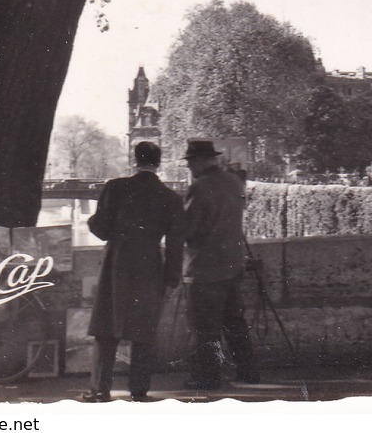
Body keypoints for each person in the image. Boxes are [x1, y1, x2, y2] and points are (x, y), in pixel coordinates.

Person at [83, 141, 184, 402]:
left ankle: (100, 390)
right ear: (158, 163)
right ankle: (139, 392)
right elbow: (175, 244)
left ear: (135, 159)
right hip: (150, 264)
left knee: (107, 328)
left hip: (117, 263)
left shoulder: (115, 188)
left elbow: (100, 229)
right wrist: (172, 279)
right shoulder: (171, 198)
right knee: (143, 331)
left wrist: (94, 222)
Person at [181, 140, 259, 391]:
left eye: (192, 161)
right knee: (234, 322)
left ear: (203, 160)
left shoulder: (199, 188)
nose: (190, 166)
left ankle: (208, 376)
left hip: (204, 269)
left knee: (204, 328)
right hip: (233, 265)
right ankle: (249, 371)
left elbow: (188, 230)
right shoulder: (234, 182)